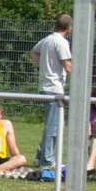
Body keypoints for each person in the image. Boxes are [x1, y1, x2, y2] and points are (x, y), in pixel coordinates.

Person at [29, 13, 72, 168]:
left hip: (45, 86)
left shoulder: (47, 39)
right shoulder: (61, 42)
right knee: (54, 126)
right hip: (54, 87)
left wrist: (44, 66)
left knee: (51, 123)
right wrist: (80, 84)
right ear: (69, 27)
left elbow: (33, 52)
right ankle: (47, 159)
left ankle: (41, 156)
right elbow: (68, 66)